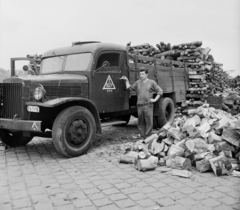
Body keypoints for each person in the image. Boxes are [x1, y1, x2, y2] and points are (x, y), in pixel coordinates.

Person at [120, 67, 163, 139]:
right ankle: (142, 135)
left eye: (143, 74)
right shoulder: (137, 82)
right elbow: (129, 88)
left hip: (148, 105)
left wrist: (155, 99)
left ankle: (148, 136)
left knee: (149, 121)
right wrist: (126, 80)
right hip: (139, 105)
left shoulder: (152, 82)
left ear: (147, 74)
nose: (141, 75)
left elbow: (160, 91)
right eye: (140, 74)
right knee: (140, 121)